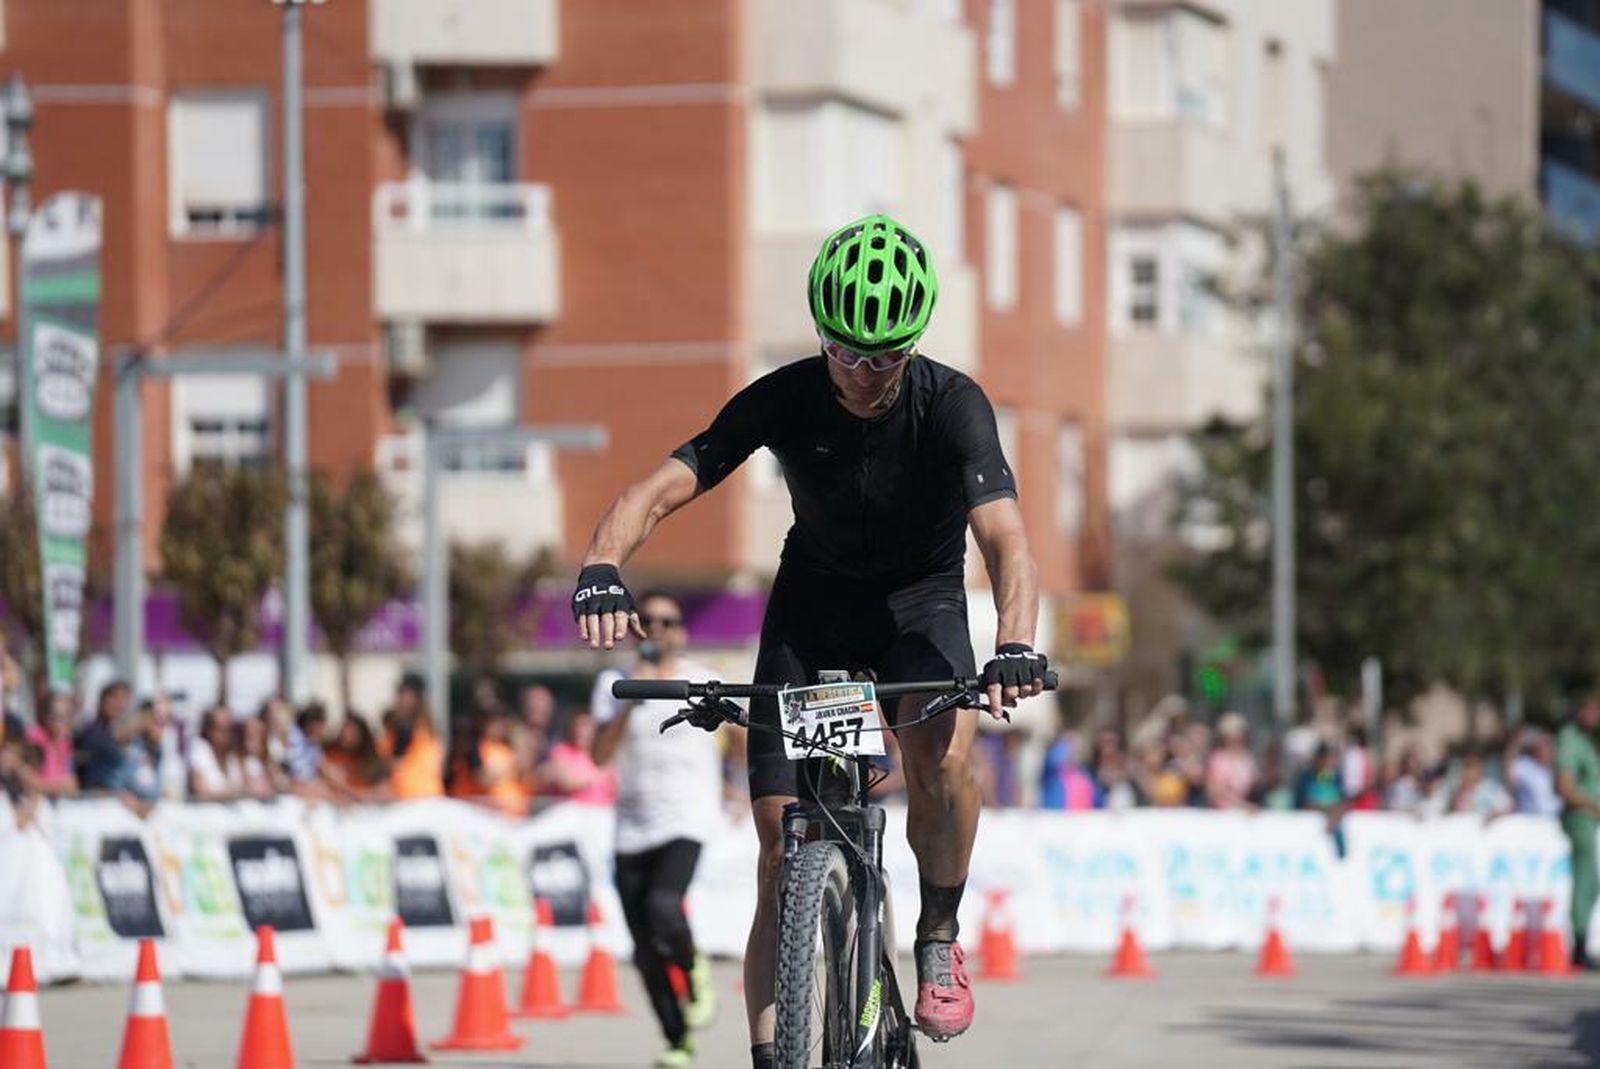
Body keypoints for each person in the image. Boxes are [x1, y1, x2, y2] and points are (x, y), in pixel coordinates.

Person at [571, 214, 1048, 1064]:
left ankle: (938, 934)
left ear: (912, 346)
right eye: (845, 353)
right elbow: (661, 487)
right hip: (814, 607)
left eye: (885, 358)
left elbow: (1006, 538)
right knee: (777, 848)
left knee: (942, 759)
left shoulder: (953, 404)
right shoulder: (784, 396)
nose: (863, 375)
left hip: (921, 608)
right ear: (821, 336)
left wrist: (1014, 642)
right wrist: (603, 564)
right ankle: (776, 1052)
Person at [590, 591, 724, 1067]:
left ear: (682, 631)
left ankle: (694, 969)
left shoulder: (703, 679)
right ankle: (676, 1038)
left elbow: (742, 735)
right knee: (644, 947)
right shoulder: (614, 683)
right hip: (631, 825)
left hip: (687, 816)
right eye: (647, 620)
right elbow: (599, 755)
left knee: (664, 906)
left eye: (668, 621)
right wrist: (633, 696)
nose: (657, 629)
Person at [1557, 695, 1600, 969]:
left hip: (1591, 820)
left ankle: (1582, 943)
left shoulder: (1585, 740)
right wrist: (1594, 806)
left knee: (1592, 882)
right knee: (1585, 881)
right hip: (1581, 818)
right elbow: (1566, 786)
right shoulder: (1570, 740)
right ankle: (1579, 946)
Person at [541, 707, 617, 804]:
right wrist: (599, 776)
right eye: (578, 726)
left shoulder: (603, 754)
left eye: (586, 726)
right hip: (573, 807)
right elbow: (566, 782)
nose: (581, 731)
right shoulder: (561, 751)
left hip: (604, 807)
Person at [74, 680, 135, 791]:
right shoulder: (90, 731)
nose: (119, 704)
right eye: (114, 698)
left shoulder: (121, 733)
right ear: (102, 699)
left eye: (124, 700)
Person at [25, 691, 78, 797]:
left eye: (68, 716)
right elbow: (28, 780)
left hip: (57, 801)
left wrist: (64, 785)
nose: (64, 721)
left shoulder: (66, 742)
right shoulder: (33, 737)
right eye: (58, 716)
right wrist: (59, 785)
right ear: (46, 716)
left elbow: (73, 784)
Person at [188, 705, 244, 801]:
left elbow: (242, 786)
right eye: (220, 728)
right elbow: (201, 790)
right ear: (209, 729)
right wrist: (229, 793)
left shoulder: (231, 754)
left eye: (229, 729)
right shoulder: (200, 748)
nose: (225, 734)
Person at [1205, 712, 1257, 810]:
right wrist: (1241, 805)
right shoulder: (1218, 758)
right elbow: (1215, 792)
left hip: (1243, 811)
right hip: (1221, 812)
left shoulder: (1248, 759)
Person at [1508, 729, 1560, 817]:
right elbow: (1509, 776)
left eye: (1551, 745)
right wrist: (1516, 745)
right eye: (1545, 744)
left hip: (1553, 820)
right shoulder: (1525, 765)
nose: (1550, 749)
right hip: (1530, 819)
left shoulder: (1558, 769)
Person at [1448, 749, 1512, 819]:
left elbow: (1508, 807)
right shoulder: (1459, 791)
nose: (1468, 772)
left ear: (1480, 768)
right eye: (1466, 767)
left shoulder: (1491, 788)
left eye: (1472, 767)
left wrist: (1493, 816)